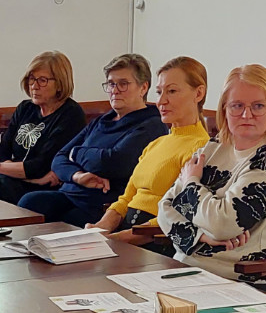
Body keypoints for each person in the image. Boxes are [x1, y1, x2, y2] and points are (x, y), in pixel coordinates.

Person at [158, 63, 266, 285]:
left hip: (237, 279)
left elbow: (223, 224)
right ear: (224, 109)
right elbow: (165, 207)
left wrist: (191, 182)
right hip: (186, 267)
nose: (246, 114)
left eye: (258, 106)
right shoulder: (215, 146)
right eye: (237, 106)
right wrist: (202, 236)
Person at [17, 54, 167, 227]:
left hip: (103, 204)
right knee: (30, 203)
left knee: (69, 222)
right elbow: (59, 159)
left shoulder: (151, 124)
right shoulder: (102, 121)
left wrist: (76, 153)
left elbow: (112, 162)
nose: (115, 90)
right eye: (111, 84)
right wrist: (78, 176)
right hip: (71, 193)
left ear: (143, 87)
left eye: (123, 84)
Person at [85, 56, 209, 250]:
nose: (161, 101)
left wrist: (114, 240)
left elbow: (178, 215)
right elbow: (126, 199)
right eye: (159, 92)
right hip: (126, 236)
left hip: (154, 245)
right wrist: (98, 229)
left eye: (172, 91)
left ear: (198, 93)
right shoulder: (156, 144)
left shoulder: (201, 148)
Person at [0, 51, 86, 204]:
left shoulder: (71, 114)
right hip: (15, 178)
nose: (34, 86)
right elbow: (1, 154)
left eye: (42, 80)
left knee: (8, 187)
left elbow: (41, 166)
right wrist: (5, 169)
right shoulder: (25, 108)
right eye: (32, 79)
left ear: (59, 84)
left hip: (45, 186)